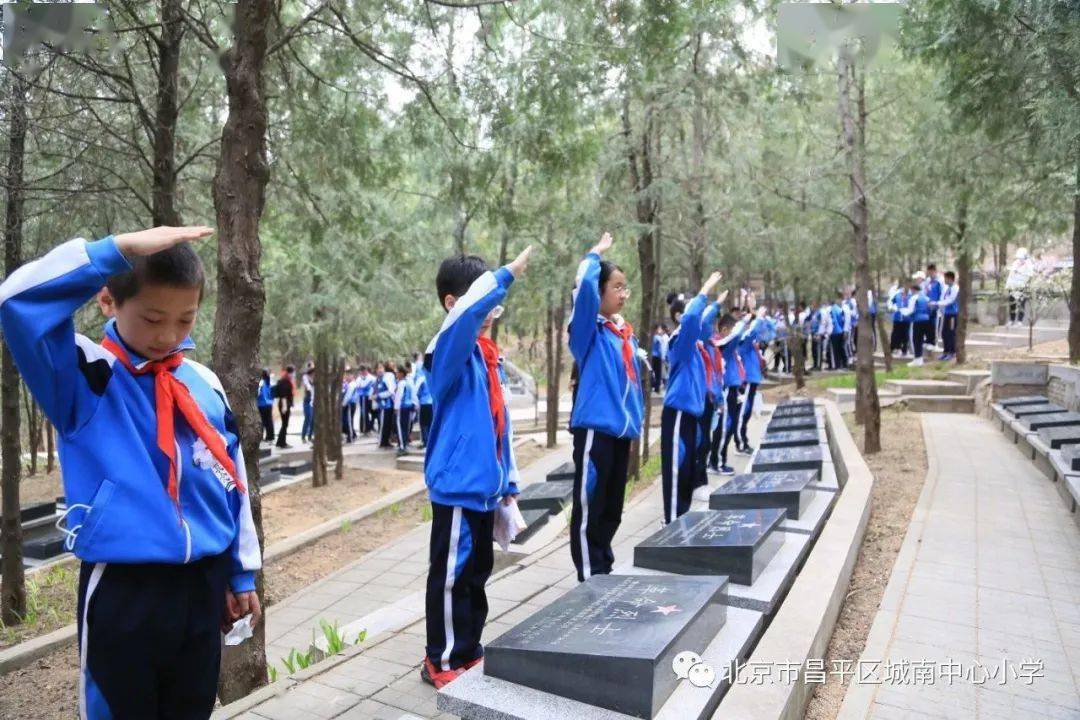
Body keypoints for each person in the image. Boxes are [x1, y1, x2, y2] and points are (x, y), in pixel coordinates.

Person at [0, 226, 262, 719]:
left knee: (192, 708)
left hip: (201, 589)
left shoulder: (204, 384)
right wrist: (112, 253)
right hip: (126, 591)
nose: (168, 336)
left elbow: (233, 480)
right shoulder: (83, 375)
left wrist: (240, 573)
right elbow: (16, 302)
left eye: (186, 319)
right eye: (152, 318)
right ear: (107, 301)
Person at [421, 245, 530, 688]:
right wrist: (504, 275)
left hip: (485, 487)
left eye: (494, 306)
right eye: (482, 301)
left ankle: (467, 650)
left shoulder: (488, 358)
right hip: (457, 487)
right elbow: (466, 319)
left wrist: (509, 479)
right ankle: (441, 660)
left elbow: (498, 422)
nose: (489, 313)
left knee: (475, 577)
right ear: (453, 303)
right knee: (450, 579)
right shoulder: (447, 351)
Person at [566, 233, 644, 582]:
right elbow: (582, 289)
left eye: (625, 287)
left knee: (612, 507)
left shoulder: (623, 335)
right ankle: (588, 573)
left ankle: (603, 566)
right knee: (590, 505)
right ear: (599, 292)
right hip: (595, 431)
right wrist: (593, 254)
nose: (623, 293)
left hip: (619, 433)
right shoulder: (588, 332)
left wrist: (634, 428)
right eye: (616, 286)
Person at [661, 274, 724, 525]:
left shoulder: (695, 344)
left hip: (690, 414)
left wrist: (716, 304)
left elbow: (703, 321)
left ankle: (682, 519)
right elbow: (691, 319)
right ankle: (672, 522)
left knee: (686, 469)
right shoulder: (681, 341)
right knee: (677, 470)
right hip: (677, 413)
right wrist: (704, 291)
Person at [714, 307, 747, 475]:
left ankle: (717, 460)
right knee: (725, 427)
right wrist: (747, 317)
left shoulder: (728, 344)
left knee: (730, 425)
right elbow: (738, 333)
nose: (734, 333)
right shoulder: (723, 344)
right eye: (731, 329)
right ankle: (717, 462)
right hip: (726, 390)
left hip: (733, 389)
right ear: (725, 330)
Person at [736, 307, 768, 455]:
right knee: (743, 413)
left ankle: (742, 440)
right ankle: (741, 444)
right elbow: (751, 333)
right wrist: (758, 318)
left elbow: (762, 333)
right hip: (747, 381)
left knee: (746, 413)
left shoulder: (749, 341)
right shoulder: (742, 340)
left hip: (752, 380)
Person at [901, 281, 932, 366]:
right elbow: (930, 309)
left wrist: (902, 311)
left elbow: (910, 310)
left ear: (913, 290)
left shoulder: (913, 298)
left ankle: (917, 359)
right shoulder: (926, 298)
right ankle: (919, 359)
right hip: (926, 320)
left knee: (916, 339)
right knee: (921, 339)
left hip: (917, 320)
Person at [1006, 248, 1035, 326]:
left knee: (1021, 304)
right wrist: (1008, 285)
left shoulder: (1029, 264)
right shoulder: (1015, 263)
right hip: (1013, 286)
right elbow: (1011, 274)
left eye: (1021, 258)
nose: (1020, 260)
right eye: (1019, 258)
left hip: (1022, 287)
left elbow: (1030, 275)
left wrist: (1019, 272)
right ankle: (1012, 320)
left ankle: (1019, 321)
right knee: (1012, 304)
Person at [936, 271, 960, 361]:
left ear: (950, 278)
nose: (944, 280)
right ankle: (945, 351)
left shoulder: (955, 288)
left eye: (945, 278)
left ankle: (952, 352)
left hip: (953, 314)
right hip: (946, 313)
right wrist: (939, 305)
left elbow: (950, 300)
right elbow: (943, 298)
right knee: (944, 333)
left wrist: (937, 303)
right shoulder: (946, 288)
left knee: (951, 333)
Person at [393, 365, 416, 455]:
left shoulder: (401, 383)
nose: (396, 374)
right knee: (405, 427)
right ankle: (405, 444)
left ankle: (402, 447)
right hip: (409, 407)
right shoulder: (409, 382)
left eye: (397, 372)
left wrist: (396, 408)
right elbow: (413, 395)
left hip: (402, 408)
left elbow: (399, 396)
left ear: (401, 373)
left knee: (400, 427)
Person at [413, 356, 434, 447]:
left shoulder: (421, 378)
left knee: (423, 424)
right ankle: (430, 441)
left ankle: (426, 442)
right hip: (432, 403)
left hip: (424, 403)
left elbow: (415, 392)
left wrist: (416, 403)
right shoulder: (433, 376)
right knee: (430, 423)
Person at [375, 362, 397, 448]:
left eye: (381, 368)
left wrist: (378, 396)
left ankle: (385, 441)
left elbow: (391, 391)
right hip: (383, 405)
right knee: (383, 424)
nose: (379, 370)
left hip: (387, 404)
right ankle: (383, 442)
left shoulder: (386, 378)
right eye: (378, 368)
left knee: (386, 424)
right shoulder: (378, 379)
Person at [274, 364, 295, 448]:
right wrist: (285, 406)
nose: (294, 374)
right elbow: (283, 395)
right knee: (285, 424)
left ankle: (280, 441)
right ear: (290, 372)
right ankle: (282, 443)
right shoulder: (285, 381)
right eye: (293, 372)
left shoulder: (285, 380)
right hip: (284, 404)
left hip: (284, 404)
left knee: (284, 424)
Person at [923, 264, 942, 348]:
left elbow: (941, 293)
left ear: (935, 271)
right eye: (929, 272)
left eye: (931, 272)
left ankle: (934, 342)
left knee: (934, 324)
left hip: (936, 307)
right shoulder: (927, 281)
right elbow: (925, 292)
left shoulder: (939, 281)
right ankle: (928, 340)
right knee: (927, 324)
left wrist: (938, 304)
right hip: (928, 307)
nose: (930, 274)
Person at [889, 283, 910, 356]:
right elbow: (891, 303)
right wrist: (892, 308)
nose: (903, 291)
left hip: (906, 319)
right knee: (895, 334)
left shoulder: (910, 296)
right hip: (897, 318)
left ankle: (904, 349)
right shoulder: (897, 295)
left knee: (905, 334)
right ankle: (894, 348)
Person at [355, 365, 375, 436]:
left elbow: (373, 387)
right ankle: (365, 429)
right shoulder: (359, 379)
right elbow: (358, 388)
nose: (363, 372)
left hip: (370, 397)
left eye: (364, 370)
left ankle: (371, 427)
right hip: (363, 397)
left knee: (373, 413)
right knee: (364, 413)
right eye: (361, 370)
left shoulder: (372, 378)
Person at [828, 294, 847, 370]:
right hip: (841, 331)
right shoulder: (839, 309)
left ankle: (837, 365)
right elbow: (843, 320)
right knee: (841, 348)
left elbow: (831, 321)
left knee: (835, 350)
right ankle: (844, 364)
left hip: (834, 332)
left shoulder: (831, 310)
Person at [258, 368, 275, 442]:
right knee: (269, 420)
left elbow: (258, 393)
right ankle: (270, 436)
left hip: (261, 404)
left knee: (263, 421)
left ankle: (262, 436)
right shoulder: (270, 382)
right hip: (269, 403)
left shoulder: (260, 383)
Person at [341, 369, 358, 443]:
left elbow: (348, 396)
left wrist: (343, 404)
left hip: (350, 404)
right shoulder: (347, 384)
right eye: (346, 375)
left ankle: (350, 436)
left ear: (352, 376)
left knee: (348, 421)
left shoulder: (352, 384)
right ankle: (353, 434)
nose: (347, 377)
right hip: (348, 404)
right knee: (346, 420)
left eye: (349, 375)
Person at [650, 324, 667, 394]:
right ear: (656, 329)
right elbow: (662, 348)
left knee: (652, 371)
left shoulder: (651, 337)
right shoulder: (658, 338)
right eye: (659, 329)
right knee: (658, 373)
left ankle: (651, 386)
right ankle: (657, 388)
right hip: (657, 357)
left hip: (652, 356)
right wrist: (663, 357)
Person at [300, 362, 315, 443]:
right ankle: (303, 437)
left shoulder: (315, 379)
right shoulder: (305, 377)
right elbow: (308, 387)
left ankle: (310, 436)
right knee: (308, 418)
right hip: (307, 400)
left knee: (313, 419)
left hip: (314, 400)